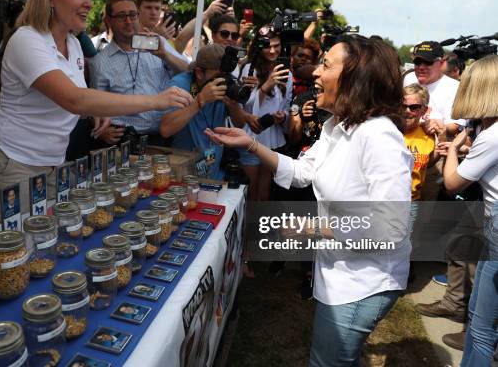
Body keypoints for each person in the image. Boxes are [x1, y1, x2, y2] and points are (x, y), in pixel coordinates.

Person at [206, 35, 412, 365]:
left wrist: (312, 229)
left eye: (326, 65)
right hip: (341, 271)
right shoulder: (336, 125)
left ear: (355, 77)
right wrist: (251, 144)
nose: (315, 72)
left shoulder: (379, 137)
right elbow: (303, 171)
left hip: (363, 281)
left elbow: (391, 227)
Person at [0, 0, 192, 221]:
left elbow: (80, 101)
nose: (89, 2)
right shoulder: (27, 39)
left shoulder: (73, 44)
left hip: (53, 164)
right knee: (15, 252)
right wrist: (155, 101)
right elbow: (74, 99)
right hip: (13, 163)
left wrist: (93, 114)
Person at [439, 54, 498, 367]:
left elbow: (451, 184)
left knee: (482, 322)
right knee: (480, 311)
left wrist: (455, 146)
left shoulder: (490, 135)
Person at [89, 0, 189, 145]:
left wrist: (165, 55)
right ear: (109, 20)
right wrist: (103, 132)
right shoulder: (100, 63)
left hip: (162, 136)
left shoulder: (158, 43)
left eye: (133, 15)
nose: (128, 21)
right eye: (121, 16)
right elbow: (95, 106)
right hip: (123, 140)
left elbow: (189, 73)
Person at [159, 44, 248, 179]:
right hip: (185, 174)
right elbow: (165, 129)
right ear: (199, 72)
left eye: (226, 75)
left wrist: (233, 106)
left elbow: (240, 124)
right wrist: (200, 101)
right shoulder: (181, 84)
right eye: (219, 76)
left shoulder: (226, 84)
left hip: (214, 172)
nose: (224, 81)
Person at [238, 26, 292, 201]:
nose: (273, 50)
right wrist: (266, 86)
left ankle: (257, 227)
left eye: (277, 46)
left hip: (273, 139)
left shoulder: (286, 73)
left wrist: (282, 116)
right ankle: (244, 228)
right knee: (249, 191)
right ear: (258, 46)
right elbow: (245, 107)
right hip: (251, 135)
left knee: (264, 191)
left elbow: (286, 105)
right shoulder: (249, 69)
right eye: (268, 46)